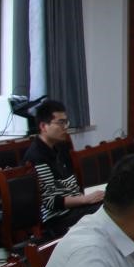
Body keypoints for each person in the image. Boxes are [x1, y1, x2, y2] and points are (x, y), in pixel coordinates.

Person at [23, 99, 101, 237]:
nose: (65, 127)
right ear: (43, 126)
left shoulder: (61, 147)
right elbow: (51, 201)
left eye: (66, 122)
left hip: (75, 207)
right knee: (106, 213)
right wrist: (85, 199)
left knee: (112, 205)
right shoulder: (37, 156)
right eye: (60, 123)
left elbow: (71, 185)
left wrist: (86, 198)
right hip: (57, 218)